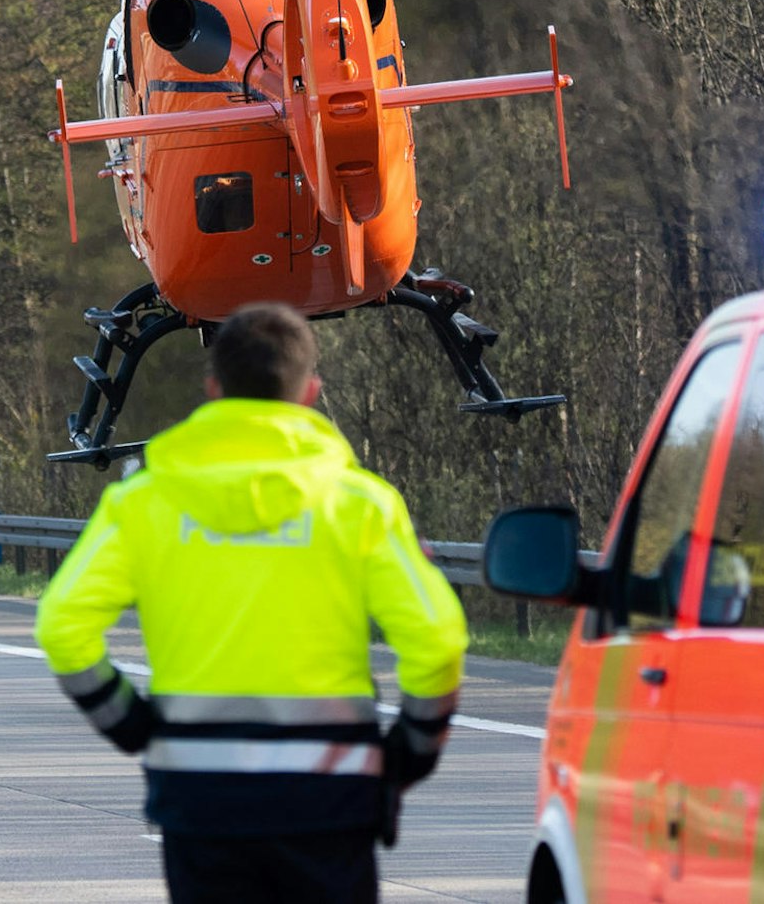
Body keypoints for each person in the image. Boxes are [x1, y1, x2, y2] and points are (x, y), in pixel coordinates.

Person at [34, 302, 468, 903]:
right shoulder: (360, 504)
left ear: (214, 389)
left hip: (200, 799)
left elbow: (62, 624)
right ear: (310, 393)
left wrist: (129, 723)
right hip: (329, 799)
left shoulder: (144, 500)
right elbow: (438, 638)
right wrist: (410, 752)